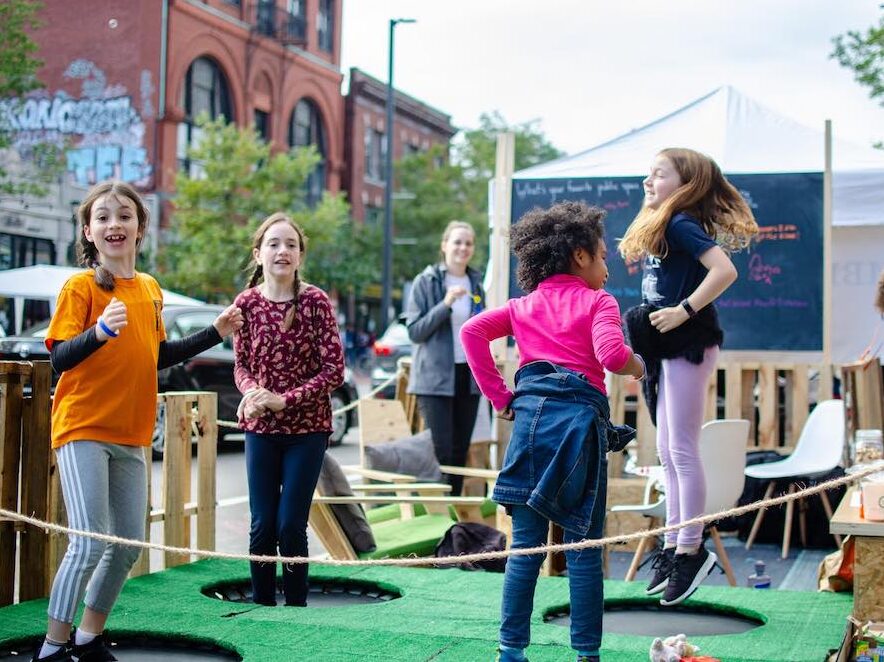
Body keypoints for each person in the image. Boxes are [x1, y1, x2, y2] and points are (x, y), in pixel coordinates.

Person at [37, 181, 243, 662]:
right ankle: (51, 647)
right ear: (88, 232)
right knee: (89, 542)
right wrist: (99, 332)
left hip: (131, 434)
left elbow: (158, 355)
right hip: (83, 427)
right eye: (103, 218)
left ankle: (88, 638)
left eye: (124, 216)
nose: (114, 225)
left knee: (127, 544)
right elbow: (60, 359)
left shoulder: (149, 289)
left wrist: (215, 332)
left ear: (140, 229)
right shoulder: (80, 287)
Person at [461, 201, 646, 662]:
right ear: (580, 256)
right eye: (603, 256)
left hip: (529, 429)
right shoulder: (599, 300)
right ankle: (586, 654)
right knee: (583, 548)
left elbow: (471, 332)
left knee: (525, 548)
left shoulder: (524, 305)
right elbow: (610, 354)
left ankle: (510, 650)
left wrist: (501, 398)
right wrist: (638, 365)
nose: (607, 266)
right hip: (578, 431)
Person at [619, 147, 758, 607]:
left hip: (689, 339)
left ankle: (691, 549)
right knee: (666, 449)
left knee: (680, 447)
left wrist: (683, 311)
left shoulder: (681, 223)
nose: (648, 181)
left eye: (658, 175)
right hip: (665, 343)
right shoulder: (666, 223)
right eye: (648, 174)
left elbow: (725, 270)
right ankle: (675, 544)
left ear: (685, 183)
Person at [233, 212, 344, 608]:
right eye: (274, 244)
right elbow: (241, 365)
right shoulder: (245, 303)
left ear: (300, 256)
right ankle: (260, 605)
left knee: (290, 524)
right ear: (258, 253)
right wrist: (251, 393)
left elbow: (335, 370)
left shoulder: (315, 302)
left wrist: (286, 399)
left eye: (291, 245)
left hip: (307, 430)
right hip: (260, 429)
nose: (282, 251)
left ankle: (297, 607)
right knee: (262, 525)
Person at [405, 220, 485, 495]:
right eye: (457, 242)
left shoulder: (476, 282)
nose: (463, 248)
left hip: (469, 376)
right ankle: (438, 514)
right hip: (435, 379)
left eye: (468, 243)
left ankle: (454, 516)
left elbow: (479, 325)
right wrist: (446, 304)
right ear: (444, 246)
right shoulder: (425, 282)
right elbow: (415, 331)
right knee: (441, 451)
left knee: (460, 451)